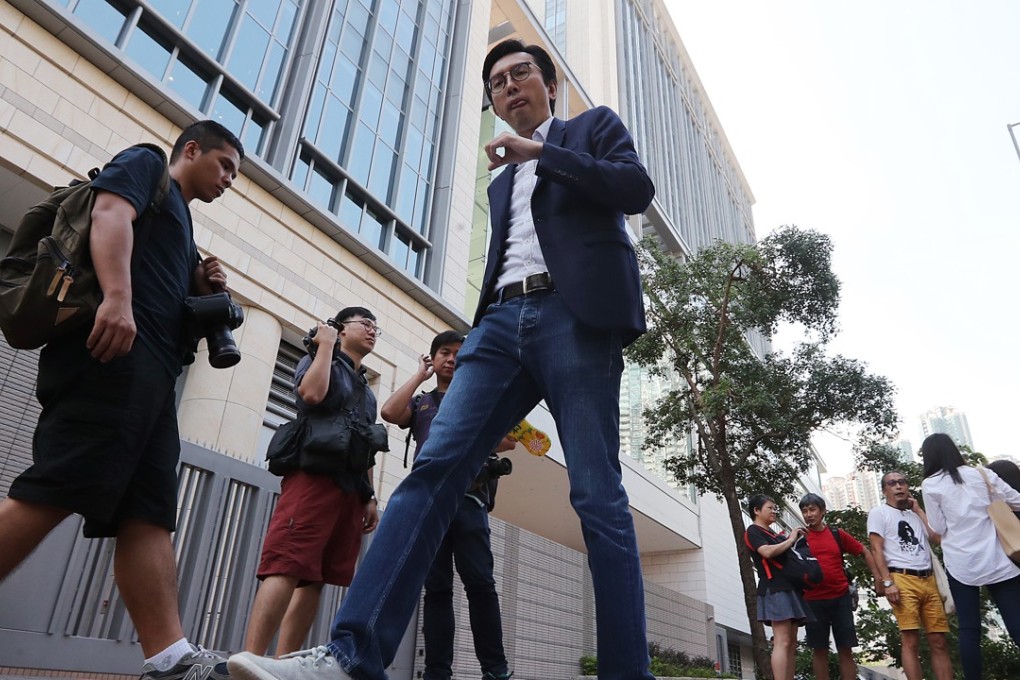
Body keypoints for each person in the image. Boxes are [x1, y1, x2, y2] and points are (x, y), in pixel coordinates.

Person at [228, 37, 656, 680]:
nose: (510, 87)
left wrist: (545, 152)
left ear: (549, 87)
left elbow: (633, 187)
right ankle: (350, 656)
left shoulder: (589, 128)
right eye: (498, 84)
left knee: (597, 495)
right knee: (430, 475)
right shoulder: (501, 178)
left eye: (522, 75)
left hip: (576, 319)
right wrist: (481, 326)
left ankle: (628, 672)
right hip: (498, 326)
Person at [0, 121, 242, 678]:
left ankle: (169, 659)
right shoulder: (147, 164)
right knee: (57, 485)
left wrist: (205, 289)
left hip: (154, 378)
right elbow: (110, 214)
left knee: (148, 513)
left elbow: (176, 306)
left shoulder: (185, 229)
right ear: (191, 149)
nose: (229, 179)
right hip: (110, 355)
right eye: (225, 164)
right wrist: (116, 297)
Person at [242, 307, 382, 656]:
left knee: (316, 578)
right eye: (364, 324)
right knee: (286, 564)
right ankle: (252, 660)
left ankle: (285, 662)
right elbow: (312, 395)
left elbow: (366, 443)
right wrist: (325, 345)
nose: (372, 331)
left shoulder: (368, 390)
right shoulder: (320, 359)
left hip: (349, 489)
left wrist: (370, 496)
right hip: (312, 477)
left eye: (375, 327)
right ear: (340, 329)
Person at [379, 330, 514, 680]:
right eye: (444, 352)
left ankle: (495, 671)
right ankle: (437, 672)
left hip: (469, 497)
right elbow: (391, 412)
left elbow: (509, 441)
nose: (452, 358)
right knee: (436, 588)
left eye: (459, 353)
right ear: (433, 359)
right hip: (428, 504)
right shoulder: (422, 402)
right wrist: (418, 376)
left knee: (480, 584)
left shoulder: (479, 400)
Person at [920, 433, 1020, 680]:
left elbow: (939, 528)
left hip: (962, 564)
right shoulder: (980, 474)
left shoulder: (931, 485)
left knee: (969, 629)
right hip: (997, 559)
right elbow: (1016, 501)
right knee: (1017, 624)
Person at [867, 471, 953, 680]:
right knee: (910, 641)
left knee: (938, 641)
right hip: (902, 579)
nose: (898, 486)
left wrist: (919, 510)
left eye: (902, 482)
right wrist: (888, 582)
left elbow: (937, 538)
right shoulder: (879, 513)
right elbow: (876, 549)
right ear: (884, 490)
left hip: (929, 579)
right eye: (892, 483)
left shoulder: (915, 515)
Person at [798, 493, 880, 680]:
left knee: (845, 649)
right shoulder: (799, 538)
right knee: (819, 650)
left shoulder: (837, 534)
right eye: (804, 511)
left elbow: (864, 551)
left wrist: (877, 578)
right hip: (812, 601)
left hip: (840, 598)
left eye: (812, 509)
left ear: (823, 511)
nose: (809, 514)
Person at [744, 494, 812, 680]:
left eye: (775, 508)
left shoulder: (773, 534)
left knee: (791, 642)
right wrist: (790, 539)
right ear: (756, 511)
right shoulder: (753, 531)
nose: (774, 511)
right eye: (770, 508)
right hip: (774, 588)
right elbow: (766, 552)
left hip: (790, 589)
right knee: (781, 640)